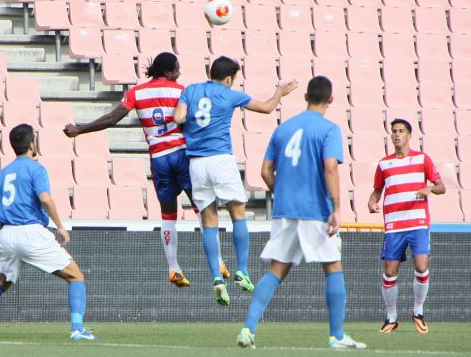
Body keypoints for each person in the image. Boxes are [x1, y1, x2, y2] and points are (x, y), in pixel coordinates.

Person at [64, 52, 229, 288]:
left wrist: (80, 129)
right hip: (182, 156)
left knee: (168, 215)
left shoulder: (136, 93)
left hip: (159, 160)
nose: (180, 72)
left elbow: (112, 118)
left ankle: (173, 268)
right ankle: (218, 262)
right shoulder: (182, 90)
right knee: (204, 209)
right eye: (177, 69)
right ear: (169, 72)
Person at [236, 76, 366, 349]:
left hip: (285, 210)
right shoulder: (329, 129)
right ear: (331, 99)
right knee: (332, 266)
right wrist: (337, 208)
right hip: (315, 209)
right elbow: (330, 166)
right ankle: (337, 336)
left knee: (275, 271)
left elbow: (264, 171)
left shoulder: (284, 129)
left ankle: (248, 329)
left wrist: (281, 192)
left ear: (305, 96)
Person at [173, 56, 298, 306]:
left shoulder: (191, 90)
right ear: (229, 78)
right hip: (221, 160)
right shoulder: (231, 95)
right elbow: (266, 108)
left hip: (196, 163)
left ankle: (217, 278)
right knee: (238, 216)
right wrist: (279, 92)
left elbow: (177, 118)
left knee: (208, 221)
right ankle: (241, 271)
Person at [0, 124, 95, 341]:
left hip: (6, 234)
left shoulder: (2, 174)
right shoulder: (36, 169)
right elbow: (45, 198)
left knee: (3, 280)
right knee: (75, 275)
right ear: (32, 144)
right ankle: (77, 329)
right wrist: (60, 226)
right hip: (31, 232)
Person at [368, 118, 445, 334]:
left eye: (401, 131)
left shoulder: (422, 159)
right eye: (394, 131)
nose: (397, 134)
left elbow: (441, 187)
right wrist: (371, 201)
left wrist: (429, 189)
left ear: (409, 135)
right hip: (394, 225)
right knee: (390, 271)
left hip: (418, 223)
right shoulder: (384, 164)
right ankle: (391, 317)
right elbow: (377, 190)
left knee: (421, 266)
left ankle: (418, 312)